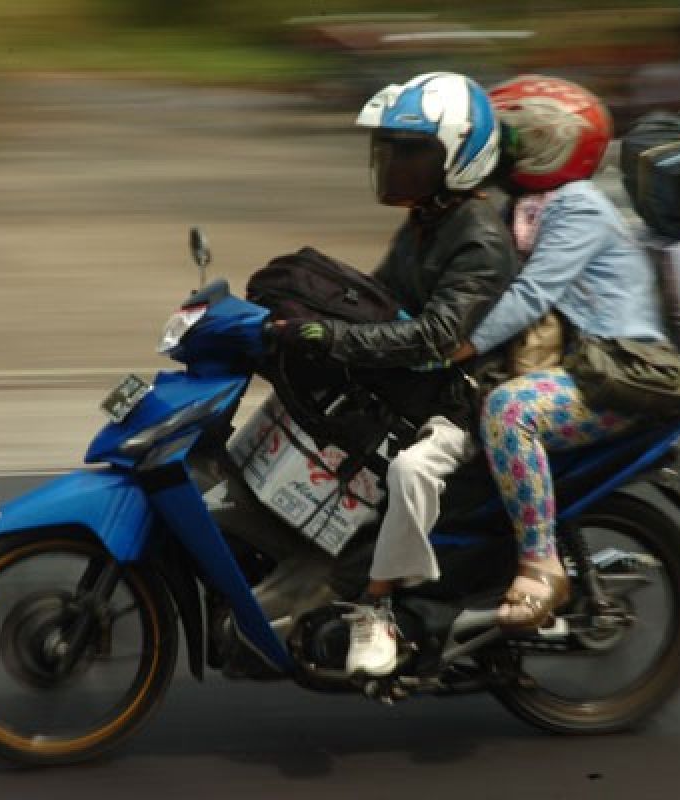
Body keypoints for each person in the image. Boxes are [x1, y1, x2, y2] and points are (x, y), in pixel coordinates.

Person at [276, 72, 519, 677]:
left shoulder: (479, 238)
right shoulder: (424, 224)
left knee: (411, 470)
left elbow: (437, 336)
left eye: (414, 152)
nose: (396, 164)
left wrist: (335, 337)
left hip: (461, 406)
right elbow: (376, 299)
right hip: (417, 394)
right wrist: (299, 318)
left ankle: (380, 607)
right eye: (391, 151)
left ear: (461, 156)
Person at [451, 75, 679, 629]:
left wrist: (462, 346)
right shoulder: (528, 205)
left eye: (509, 140)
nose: (498, 151)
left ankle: (540, 565)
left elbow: (532, 295)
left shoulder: (577, 206)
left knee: (510, 412)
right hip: (585, 365)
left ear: (548, 143)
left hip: (622, 370)